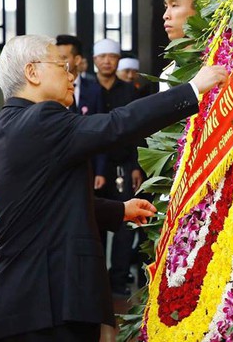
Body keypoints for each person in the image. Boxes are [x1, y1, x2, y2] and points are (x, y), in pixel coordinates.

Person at [0, 34, 227, 341]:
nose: (72, 75)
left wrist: (119, 209)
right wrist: (192, 89)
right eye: (62, 66)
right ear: (32, 72)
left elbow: (48, 201)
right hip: (49, 301)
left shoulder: (9, 123)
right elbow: (116, 125)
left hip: (25, 302)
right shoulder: (41, 119)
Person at [92, 38, 144, 296]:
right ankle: (97, 279)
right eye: (102, 57)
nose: (107, 61)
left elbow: (136, 129)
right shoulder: (87, 89)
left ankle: (119, 279)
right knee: (94, 223)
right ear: (94, 60)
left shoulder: (128, 90)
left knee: (125, 223)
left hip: (123, 165)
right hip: (93, 168)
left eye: (112, 56)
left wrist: (136, 165)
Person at [157, 0, 215, 91]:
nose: (166, 15)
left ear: (203, 9)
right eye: (166, 6)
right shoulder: (169, 74)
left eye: (175, 5)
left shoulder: (226, 60)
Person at [56, 34, 107, 190]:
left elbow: (102, 132)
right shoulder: (50, 90)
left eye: (64, 57)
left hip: (88, 164)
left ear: (77, 60)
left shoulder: (95, 90)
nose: (59, 63)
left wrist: (101, 171)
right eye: (57, 58)